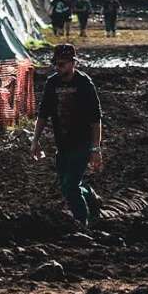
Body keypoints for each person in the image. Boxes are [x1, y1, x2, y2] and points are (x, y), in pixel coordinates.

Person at [32, 44, 103, 227]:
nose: (58, 67)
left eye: (62, 64)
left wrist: (95, 148)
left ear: (73, 63)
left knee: (70, 186)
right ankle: (90, 196)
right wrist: (35, 140)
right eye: (56, 64)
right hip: (62, 144)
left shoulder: (85, 84)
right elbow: (43, 113)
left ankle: (82, 223)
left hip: (82, 143)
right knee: (67, 186)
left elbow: (96, 119)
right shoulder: (52, 83)